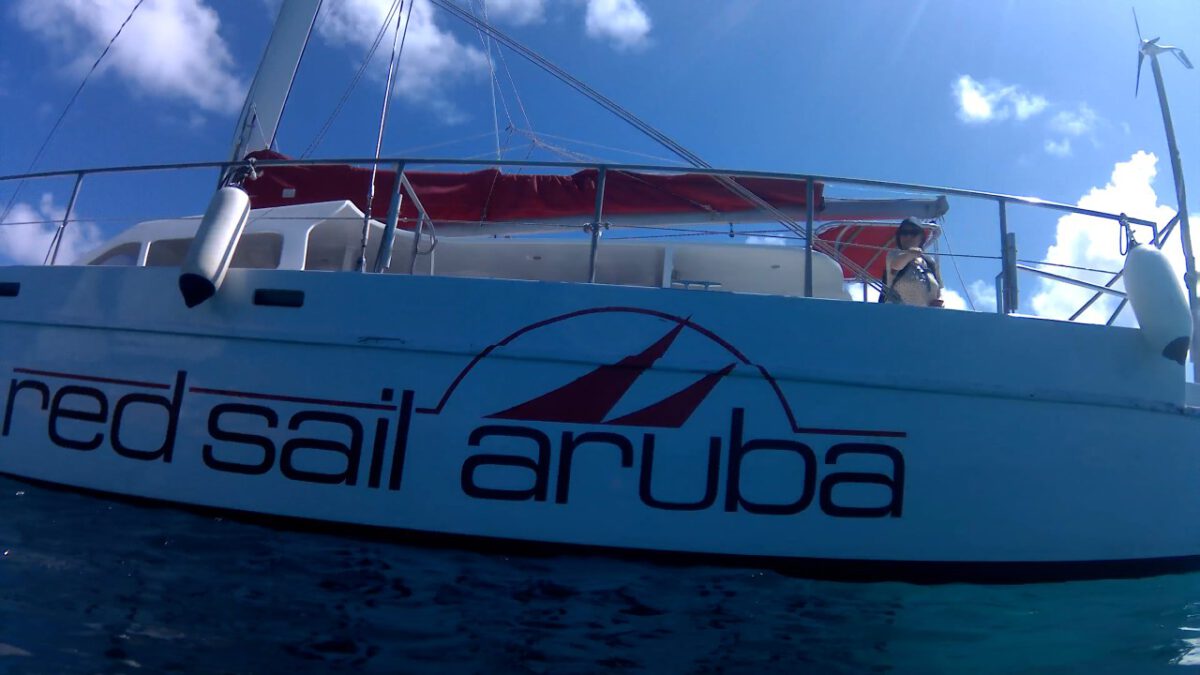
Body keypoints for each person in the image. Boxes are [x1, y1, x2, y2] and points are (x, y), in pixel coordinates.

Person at [882, 217, 943, 307]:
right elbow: (896, 265)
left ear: (921, 237)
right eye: (904, 233)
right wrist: (909, 254)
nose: (908, 236)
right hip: (899, 312)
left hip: (927, 313)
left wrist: (939, 301)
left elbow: (939, 290)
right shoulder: (893, 254)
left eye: (913, 233)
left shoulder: (930, 262)